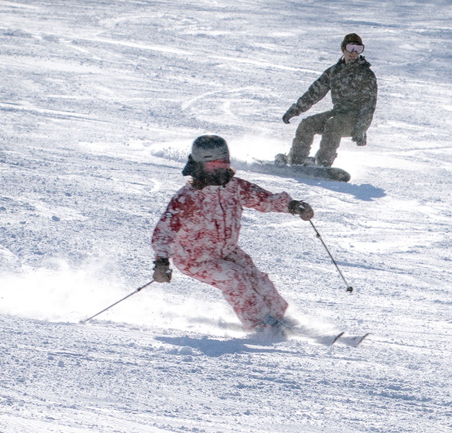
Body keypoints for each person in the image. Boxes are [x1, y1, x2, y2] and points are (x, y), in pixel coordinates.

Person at [151, 134, 314, 334]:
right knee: (236, 279)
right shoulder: (188, 197)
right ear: (199, 166)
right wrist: (161, 261)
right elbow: (165, 230)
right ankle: (262, 325)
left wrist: (292, 206)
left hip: (225, 250)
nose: (219, 170)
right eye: (212, 166)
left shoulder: (235, 187)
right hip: (194, 258)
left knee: (257, 279)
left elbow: (264, 199)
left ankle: (279, 318)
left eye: (223, 164)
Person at [282, 33, 378, 168]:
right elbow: (313, 93)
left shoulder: (366, 74)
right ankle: (296, 161)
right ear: (343, 49)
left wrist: (361, 128)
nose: (354, 52)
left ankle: (323, 163)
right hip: (338, 113)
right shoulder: (334, 72)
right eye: (351, 47)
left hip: (355, 119)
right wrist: (294, 110)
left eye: (358, 49)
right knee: (307, 124)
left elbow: (369, 105)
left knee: (333, 124)